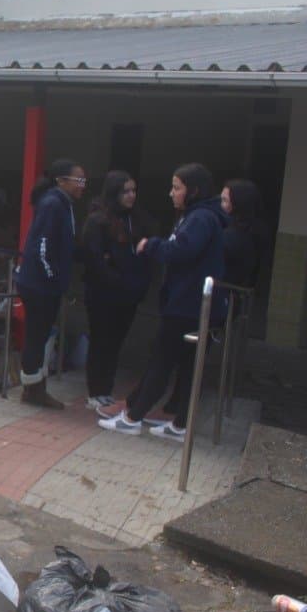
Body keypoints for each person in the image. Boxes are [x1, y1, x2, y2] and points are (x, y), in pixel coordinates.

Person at [99, 163, 227, 442]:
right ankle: (180, 425)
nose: (171, 193)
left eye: (177, 187)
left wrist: (152, 246)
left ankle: (133, 418)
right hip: (191, 302)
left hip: (188, 304)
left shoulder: (201, 218)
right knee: (186, 366)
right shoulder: (197, 215)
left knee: (162, 360)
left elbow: (182, 250)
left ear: (193, 190)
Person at [14, 159, 86, 409]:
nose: (82, 185)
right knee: (36, 336)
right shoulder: (53, 204)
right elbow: (42, 247)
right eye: (79, 180)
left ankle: (36, 386)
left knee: (42, 335)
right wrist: (53, 278)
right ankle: (33, 390)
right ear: (61, 181)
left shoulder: (63, 204)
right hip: (39, 284)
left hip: (45, 284)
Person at [81, 171, 153, 411]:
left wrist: (138, 284)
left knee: (115, 343)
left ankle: (106, 388)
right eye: (125, 191)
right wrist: (117, 278)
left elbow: (144, 255)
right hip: (103, 294)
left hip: (129, 295)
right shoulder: (98, 221)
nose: (131, 195)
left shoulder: (137, 220)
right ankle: (95, 390)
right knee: (101, 340)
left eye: (133, 190)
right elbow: (94, 259)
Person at [221, 179, 265, 290]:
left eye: (225, 200)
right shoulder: (256, 230)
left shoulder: (232, 236)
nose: (221, 205)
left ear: (238, 204)